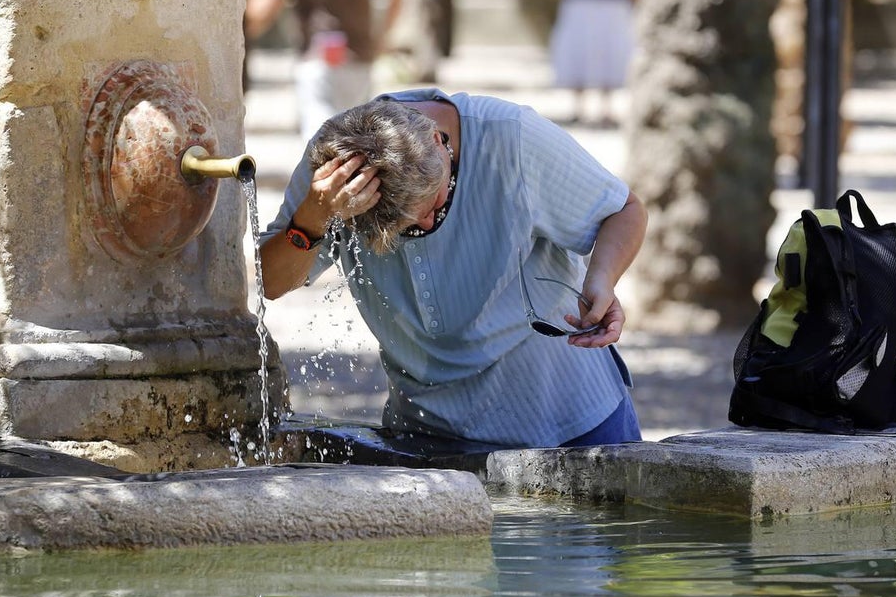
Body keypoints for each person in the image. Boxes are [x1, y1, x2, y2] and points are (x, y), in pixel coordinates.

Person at [258, 89, 648, 448]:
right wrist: (312, 217)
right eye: (406, 228)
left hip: (572, 420)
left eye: (435, 204)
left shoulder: (513, 137)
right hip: (430, 432)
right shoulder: (336, 172)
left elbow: (624, 210)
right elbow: (271, 283)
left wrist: (602, 278)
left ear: (438, 142)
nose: (426, 226)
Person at [244, 0, 403, 138]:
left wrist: (240, 33)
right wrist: (381, 38)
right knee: (358, 141)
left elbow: (267, 2)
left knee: (320, 143)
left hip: (319, 59)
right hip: (359, 59)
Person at [547, 0, 641, 127]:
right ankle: (579, 108)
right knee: (579, 50)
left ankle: (606, 108)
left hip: (614, 0)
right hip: (582, 0)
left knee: (610, 51)